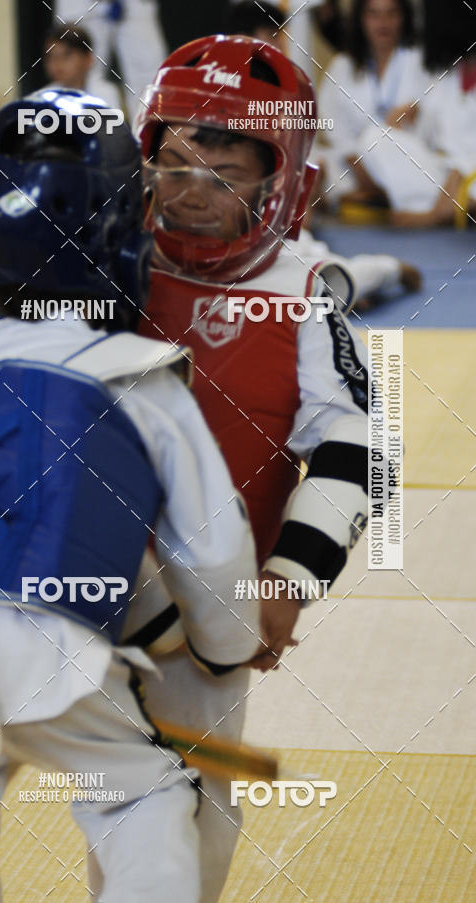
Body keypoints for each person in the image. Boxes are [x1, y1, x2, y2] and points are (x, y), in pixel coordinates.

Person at [0, 88, 264, 902]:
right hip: (54, 660)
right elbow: (216, 555)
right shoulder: (137, 379)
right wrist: (225, 649)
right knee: (144, 792)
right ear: (126, 242)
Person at [128, 35, 372, 903]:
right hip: (66, 578)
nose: (193, 193)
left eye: (225, 170)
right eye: (175, 162)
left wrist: (288, 580)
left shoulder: (308, 287)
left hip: (202, 612)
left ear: (285, 180)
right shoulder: (104, 255)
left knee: (179, 820)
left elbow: (358, 447)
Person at [225, 2, 423, 307]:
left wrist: (302, 215)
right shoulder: (212, 91)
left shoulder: (282, 92)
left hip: (268, 223)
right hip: (225, 224)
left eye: (281, 37)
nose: (279, 45)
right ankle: (365, 276)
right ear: (242, 40)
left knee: (301, 261)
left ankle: (384, 271)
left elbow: (304, 166)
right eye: (272, 36)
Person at [369, 0, 476, 227]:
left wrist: (438, 211)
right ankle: (451, 205)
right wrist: (412, 116)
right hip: (447, 175)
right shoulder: (450, 71)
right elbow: (436, 139)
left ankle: (445, 210)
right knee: (376, 138)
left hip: (468, 175)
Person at [317, 0, 430, 211]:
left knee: (378, 138)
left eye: (391, 14)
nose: (383, 23)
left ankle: (377, 196)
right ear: (361, 20)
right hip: (355, 166)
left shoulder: (421, 62)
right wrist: (362, 172)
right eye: (374, 15)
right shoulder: (342, 66)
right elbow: (335, 129)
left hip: (406, 163)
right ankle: (377, 195)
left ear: (404, 18)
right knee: (314, 160)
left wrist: (418, 111)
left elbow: (436, 123)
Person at [43, 22, 123, 112]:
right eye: (52, 57)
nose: (58, 64)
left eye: (66, 56)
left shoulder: (106, 94)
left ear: (88, 59)